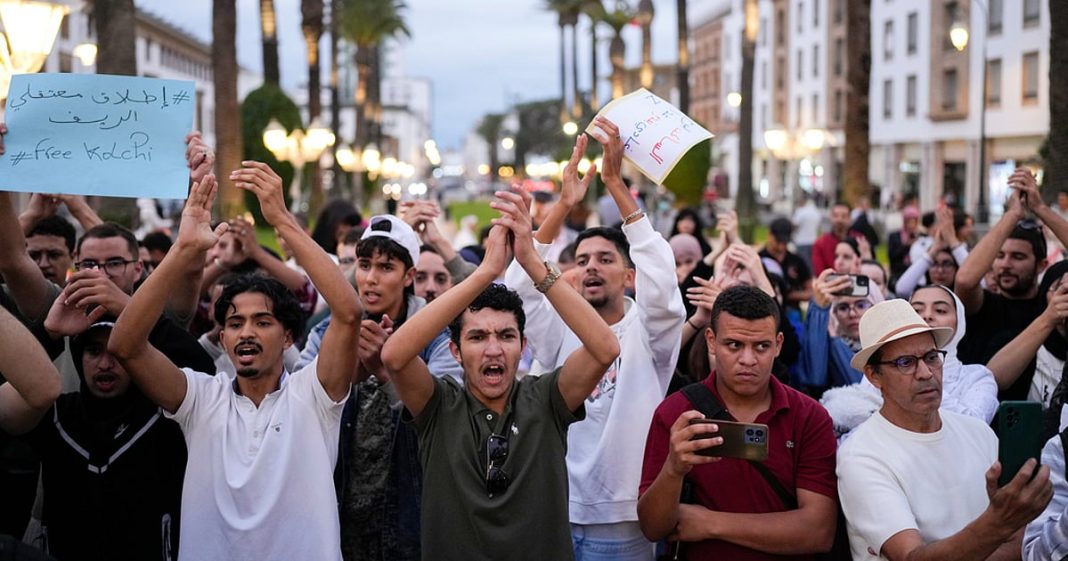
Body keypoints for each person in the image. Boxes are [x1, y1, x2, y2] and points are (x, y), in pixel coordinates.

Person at [107, 166, 361, 561]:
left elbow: (348, 312)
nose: (246, 333)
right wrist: (184, 249)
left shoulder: (313, 395)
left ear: (288, 337)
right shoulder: (200, 399)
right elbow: (124, 345)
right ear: (221, 337)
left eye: (263, 322)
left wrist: (280, 219)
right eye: (235, 323)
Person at [378, 189, 620, 560]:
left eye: (506, 336)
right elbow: (394, 355)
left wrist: (532, 262)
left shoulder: (547, 400)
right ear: (455, 351)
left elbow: (605, 347)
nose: (493, 349)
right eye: (477, 337)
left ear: (523, 346)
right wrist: (486, 273)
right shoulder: (439, 405)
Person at [504, 123, 685, 559]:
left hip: (625, 526)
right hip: (556, 514)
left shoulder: (651, 330)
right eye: (582, 260)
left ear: (629, 275)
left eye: (606, 259)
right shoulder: (558, 328)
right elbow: (519, 290)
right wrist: (564, 205)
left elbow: (663, 287)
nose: (591, 268)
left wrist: (616, 186)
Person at [838, 299, 1052, 560]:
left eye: (931, 357)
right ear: (873, 376)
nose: (926, 373)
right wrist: (998, 523)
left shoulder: (977, 432)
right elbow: (911, 556)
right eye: (906, 362)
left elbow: (1020, 541)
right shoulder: (860, 456)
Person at [638, 284, 838, 560]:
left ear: (778, 344)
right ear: (711, 341)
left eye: (761, 346)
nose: (748, 360)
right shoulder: (676, 413)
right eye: (734, 345)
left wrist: (710, 523)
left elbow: (818, 532)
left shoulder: (809, 416)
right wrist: (673, 469)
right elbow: (653, 527)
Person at [821, 285, 999, 440]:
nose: (927, 316)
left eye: (941, 310)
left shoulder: (977, 377)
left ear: (960, 321)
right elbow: (865, 425)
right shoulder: (882, 367)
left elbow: (975, 429)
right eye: (916, 311)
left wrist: (923, 389)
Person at [955, 170, 1068, 397]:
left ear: (1040, 264)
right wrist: (1012, 214)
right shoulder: (983, 305)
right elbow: (965, 281)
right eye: (999, 255)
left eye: (1018, 257)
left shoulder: (1050, 306)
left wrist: (1040, 209)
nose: (1005, 265)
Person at [987, 260, 1068, 408]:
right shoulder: (1026, 339)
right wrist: (1049, 318)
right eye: (1059, 289)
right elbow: (993, 378)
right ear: (1044, 294)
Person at [796, 269, 881, 393]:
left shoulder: (890, 344)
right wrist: (819, 309)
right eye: (843, 307)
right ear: (834, 313)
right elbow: (815, 379)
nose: (852, 313)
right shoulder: (828, 344)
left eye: (861, 305)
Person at [760, 217, 812, 311]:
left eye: (784, 242)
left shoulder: (796, 261)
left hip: (790, 309)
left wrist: (789, 295)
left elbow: (810, 291)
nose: (781, 246)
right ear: (770, 235)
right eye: (778, 241)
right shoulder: (759, 259)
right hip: (764, 307)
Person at [811, 202, 857, 275]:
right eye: (836, 215)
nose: (839, 219)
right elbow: (820, 273)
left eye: (844, 216)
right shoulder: (820, 243)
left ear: (850, 218)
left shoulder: (859, 240)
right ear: (830, 217)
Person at [887, 205, 920, 283]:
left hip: (915, 275)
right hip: (899, 274)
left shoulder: (920, 236)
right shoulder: (894, 236)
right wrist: (906, 246)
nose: (911, 225)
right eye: (909, 222)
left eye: (914, 222)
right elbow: (892, 256)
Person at [791, 193, 822, 272]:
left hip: (801, 241)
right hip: (813, 240)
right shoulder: (816, 212)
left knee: (803, 264)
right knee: (812, 263)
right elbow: (819, 228)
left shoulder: (801, 212)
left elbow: (795, 225)